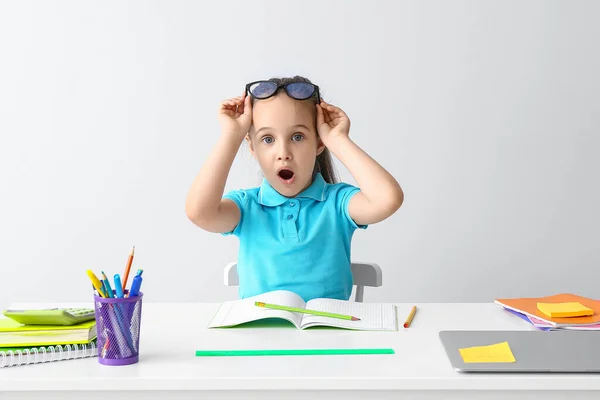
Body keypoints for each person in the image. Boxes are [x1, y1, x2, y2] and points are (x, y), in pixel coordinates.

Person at [185, 76, 403, 302]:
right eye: (268, 139)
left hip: (330, 332)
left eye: (297, 137)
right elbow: (199, 212)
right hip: (259, 334)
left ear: (319, 143)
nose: (283, 152)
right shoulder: (246, 207)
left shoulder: (338, 203)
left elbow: (387, 199)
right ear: (252, 146)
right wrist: (231, 135)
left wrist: (337, 139)